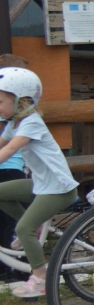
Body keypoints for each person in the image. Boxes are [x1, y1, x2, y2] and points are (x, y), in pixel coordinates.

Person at [0, 68, 79, 298]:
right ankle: (32, 232)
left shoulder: (31, 122)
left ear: (21, 100)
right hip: (42, 185)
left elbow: (10, 149)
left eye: (1, 101)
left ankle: (41, 278)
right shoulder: (14, 123)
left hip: (59, 189)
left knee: (23, 229)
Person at [0, 54, 30, 272]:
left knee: (9, 223)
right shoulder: (9, 109)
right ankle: (17, 271)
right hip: (11, 170)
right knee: (14, 223)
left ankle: (11, 271)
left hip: (11, 168)